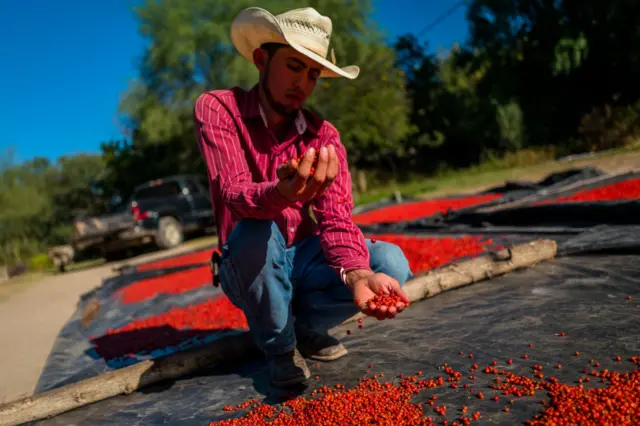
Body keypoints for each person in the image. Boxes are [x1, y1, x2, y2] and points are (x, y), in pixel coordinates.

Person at [194, 6, 413, 387]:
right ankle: (280, 347)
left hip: (306, 257)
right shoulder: (218, 109)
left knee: (390, 263)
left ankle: (305, 329)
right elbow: (233, 193)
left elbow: (336, 220)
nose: (303, 82)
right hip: (247, 261)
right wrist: (281, 193)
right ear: (262, 60)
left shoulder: (323, 135)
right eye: (294, 66)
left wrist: (359, 274)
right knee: (254, 231)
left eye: (313, 73)